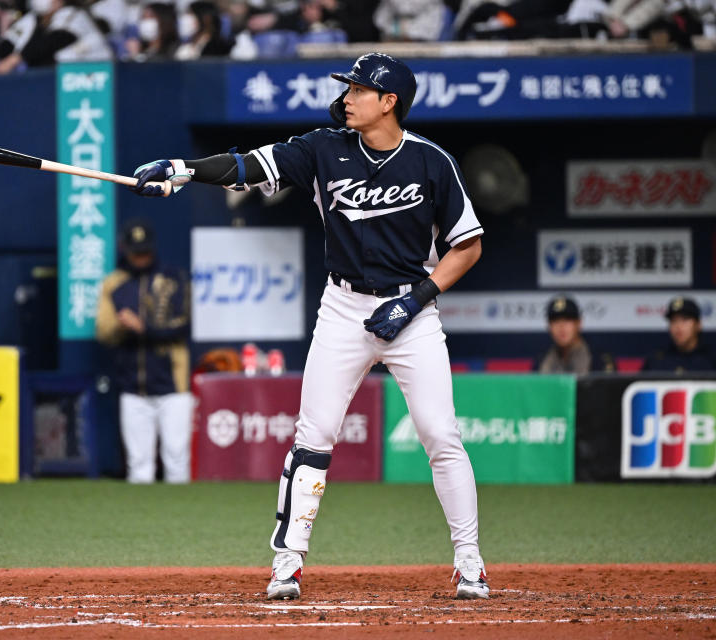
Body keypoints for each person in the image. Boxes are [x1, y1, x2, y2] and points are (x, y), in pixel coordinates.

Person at [129, 53, 489, 601]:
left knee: (441, 435)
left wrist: (417, 299)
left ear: (389, 101)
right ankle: (288, 562)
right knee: (313, 435)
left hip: (410, 314)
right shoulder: (323, 148)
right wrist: (181, 171)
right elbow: (247, 164)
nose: (347, 96)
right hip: (343, 308)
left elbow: (467, 246)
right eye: (347, 87)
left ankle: (470, 563)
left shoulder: (430, 161)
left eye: (358, 89)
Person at [95, 219, 193, 484]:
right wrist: (121, 324)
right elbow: (103, 332)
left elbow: (183, 327)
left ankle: (183, 522)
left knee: (177, 461)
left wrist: (143, 328)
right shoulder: (114, 284)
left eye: (145, 251)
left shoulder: (173, 278)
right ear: (125, 249)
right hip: (133, 386)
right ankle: (140, 523)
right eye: (136, 251)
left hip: (173, 384)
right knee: (139, 467)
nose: (141, 257)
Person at [0, 0, 109, 74]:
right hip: (65, 81)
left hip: (98, 76)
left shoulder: (74, 14)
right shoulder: (34, 18)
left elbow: (52, 41)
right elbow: (10, 39)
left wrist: (12, 61)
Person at [536, 295, 615, 374]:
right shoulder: (542, 359)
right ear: (549, 326)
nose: (561, 326)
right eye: (556, 321)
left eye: (567, 320)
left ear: (579, 323)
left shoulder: (599, 359)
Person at [642, 296, 715, 372]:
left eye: (684, 320)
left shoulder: (712, 359)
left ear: (698, 325)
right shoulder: (656, 360)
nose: (678, 326)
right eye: (674, 320)